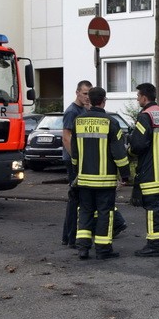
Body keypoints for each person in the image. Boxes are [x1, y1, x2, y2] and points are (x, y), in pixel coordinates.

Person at [62, 80, 126, 246]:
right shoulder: (73, 112)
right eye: (84, 94)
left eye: (88, 94)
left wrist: (80, 164)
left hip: (84, 169)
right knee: (91, 205)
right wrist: (125, 174)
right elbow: (66, 138)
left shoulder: (82, 116)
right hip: (92, 170)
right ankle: (76, 239)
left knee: (84, 206)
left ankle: (79, 241)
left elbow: (77, 145)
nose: (86, 98)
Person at [129, 83, 159, 256]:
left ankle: (154, 246)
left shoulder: (145, 116)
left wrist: (129, 151)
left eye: (138, 96)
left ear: (144, 97)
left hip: (150, 171)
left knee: (152, 209)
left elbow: (138, 144)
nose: (137, 99)